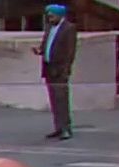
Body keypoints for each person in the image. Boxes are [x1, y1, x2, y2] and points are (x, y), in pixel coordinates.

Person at [36, 4, 77, 140]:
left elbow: (70, 52)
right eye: (49, 16)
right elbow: (46, 45)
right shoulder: (49, 28)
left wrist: (66, 70)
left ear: (60, 15)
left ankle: (66, 128)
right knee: (54, 100)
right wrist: (39, 50)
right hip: (49, 69)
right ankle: (58, 128)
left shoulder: (69, 28)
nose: (50, 18)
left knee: (62, 100)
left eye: (52, 16)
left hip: (60, 70)